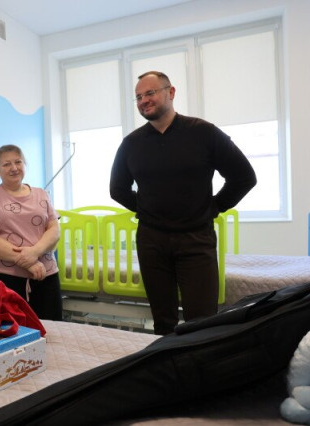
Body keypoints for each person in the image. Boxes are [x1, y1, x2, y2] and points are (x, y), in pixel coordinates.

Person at [110, 71, 257, 335]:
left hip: (195, 239)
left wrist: (214, 207)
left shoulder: (204, 133)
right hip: (151, 241)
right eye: (139, 97)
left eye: (150, 93)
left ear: (171, 92)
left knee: (201, 321)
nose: (144, 101)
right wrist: (147, 209)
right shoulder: (131, 143)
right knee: (163, 322)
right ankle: (165, 361)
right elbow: (117, 190)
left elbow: (244, 177)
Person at [0, 144, 63, 321]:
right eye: (6, 164)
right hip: (6, 278)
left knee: (52, 328)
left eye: (18, 162)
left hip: (46, 274)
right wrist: (28, 262)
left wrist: (34, 252)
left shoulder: (42, 194)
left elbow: (54, 229)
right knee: (12, 329)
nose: (14, 168)